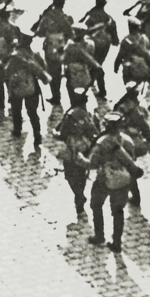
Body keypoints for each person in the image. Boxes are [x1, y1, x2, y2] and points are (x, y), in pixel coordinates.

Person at [87, 112, 143, 252]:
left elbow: (93, 163)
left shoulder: (102, 142)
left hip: (103, 180)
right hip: (123, 181)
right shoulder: (127, 140)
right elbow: (133, 158)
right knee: (118, 212)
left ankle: (99, 235)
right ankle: (116, 242)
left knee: (96, 205)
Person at [55, 86, 99, 217]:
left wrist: (54, 133)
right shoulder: (90, 114)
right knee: (81, 173)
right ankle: (80, 194)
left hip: (72, 148)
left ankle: (78, 195)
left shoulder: (70, 116)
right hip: (85, 149)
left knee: (70, 174)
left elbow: (62, 134)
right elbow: (95, 132)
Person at [5, 32, 50, 149]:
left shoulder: (14, 56)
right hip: (33, 87)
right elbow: (44, 68)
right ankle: (37, 135)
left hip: (16, 85)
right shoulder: (35, 55)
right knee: (33, 113)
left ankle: (17, 130)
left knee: (16, 109)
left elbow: (7, 71)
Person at [34, 0, 75, 106]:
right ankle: (63, 95)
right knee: (62, 69)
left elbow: (40, 33)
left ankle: (56, 96)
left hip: (50, 46)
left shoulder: (47, 17)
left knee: (52, 70)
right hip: (63, 47)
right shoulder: (66, 17)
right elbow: (71, 34)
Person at [83, 0, 120, 98]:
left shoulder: (91, 17)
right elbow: (115, 39)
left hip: (93, 43)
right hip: (105, 44)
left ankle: (101, 89)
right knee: (98, 63)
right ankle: (92, 82)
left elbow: (84, 30)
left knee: (95, 65)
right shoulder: (109, 18)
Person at [114, 17, 150, 90]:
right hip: (143, 68)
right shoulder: (145, 38)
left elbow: (120, 55)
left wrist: (116, 66)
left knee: (130, 90)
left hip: (130, 70)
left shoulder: (126, 40)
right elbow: (149, 53)